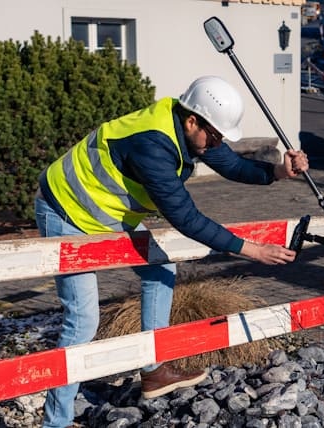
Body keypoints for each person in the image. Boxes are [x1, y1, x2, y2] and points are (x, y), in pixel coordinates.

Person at [34, 75, 309, 428]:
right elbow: (186, 218)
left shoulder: (192, 131)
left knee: (162, 271)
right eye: (214, 135)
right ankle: (54, 422)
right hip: (66, 211)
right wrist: (252, 250)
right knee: (83, 320)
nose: (217, 143)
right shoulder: (152, 144)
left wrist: (278, 171)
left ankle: (154, 369)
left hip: (110, 213)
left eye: (220, 137)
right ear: (192, 120)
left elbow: (234, 166)